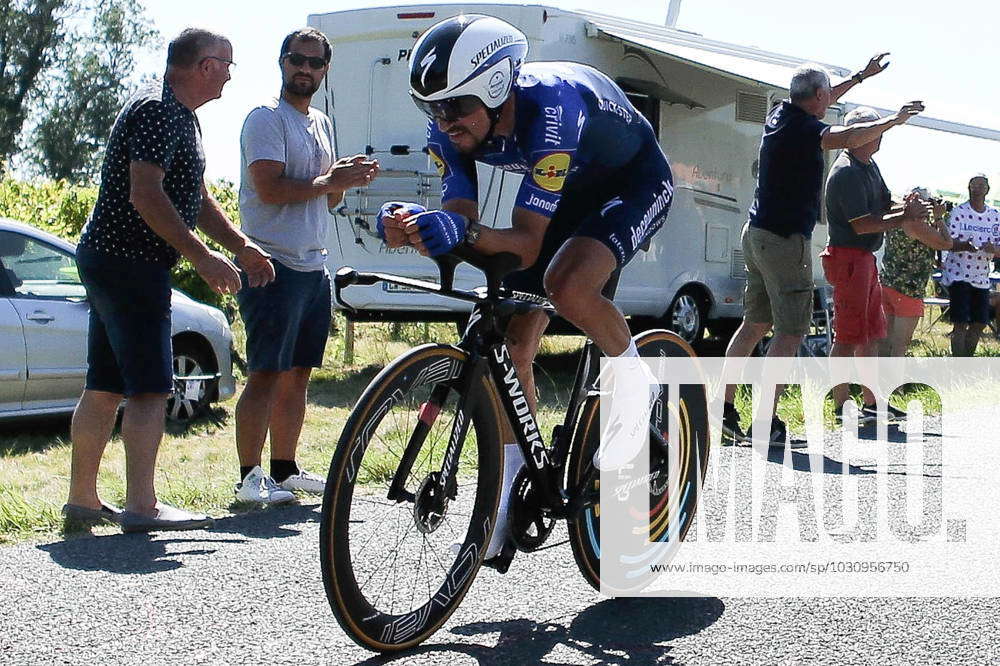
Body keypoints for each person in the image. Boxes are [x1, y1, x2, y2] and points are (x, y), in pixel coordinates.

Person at [378, 15, 671, 563]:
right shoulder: (453, 124)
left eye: (456, 106)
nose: (443, 121)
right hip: (568, 185)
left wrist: (460, 230)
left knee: (567, 285)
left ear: (494, 90)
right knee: (511, 346)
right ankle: (510, 493)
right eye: (432, 108)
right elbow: (461, 216)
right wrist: (419, 229)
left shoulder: (551, 110)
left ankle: (637, 384)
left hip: (633, 180)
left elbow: (527, 244)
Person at [64, 28, 276, 533]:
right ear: (203, 66)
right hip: (130, 263)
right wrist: (203, 258)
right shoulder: (160, 112)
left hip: (113, 261)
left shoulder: (179, 117)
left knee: (106, 383)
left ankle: (83, 502)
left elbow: (196, 198)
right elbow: (147, 194)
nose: (229, 74)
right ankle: (142, 506)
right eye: (227, 64)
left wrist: (240, 246)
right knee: (150, 388)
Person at [720, 56, 924, 446]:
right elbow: (847, 138)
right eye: (827, 95)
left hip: (756, 232)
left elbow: (827, 102)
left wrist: (860, 77)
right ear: (817, 96)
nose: (830, 99)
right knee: (790, 332)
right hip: (784, 240)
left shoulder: (782, 114)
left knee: (754, 325)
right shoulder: (806, 131)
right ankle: (765, 423)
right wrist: (895, 120)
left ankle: (725, 408)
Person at [234, 28, 379, 503]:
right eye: (298, 60)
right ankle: (249, 477)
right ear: (281, 61)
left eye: (314, 63)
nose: (305, 69)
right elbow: (271, 189)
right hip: (270, 263)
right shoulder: (265, 119)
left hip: (313, 265)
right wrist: (327, 181)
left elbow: (329, 196)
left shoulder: (321, 121)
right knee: (265, 373)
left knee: (298, 373)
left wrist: (346, 180)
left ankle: (284, 468)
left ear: (324, 71)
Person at [821, 107, 930, 422]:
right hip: (849, 257)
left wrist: (909, 205)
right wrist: (906, 216)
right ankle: (842, 407)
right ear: (856, 136)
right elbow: (863, 224)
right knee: (847, 336)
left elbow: (885, 204)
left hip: (864, 259)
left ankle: (870, 404)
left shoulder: (867, 166)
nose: (879, 135)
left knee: (869, 334)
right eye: (874, 130)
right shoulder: (846, 172)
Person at [879, 191, 968, 357]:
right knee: (900, 345)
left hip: (887, 283)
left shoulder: (895, 218)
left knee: (885, 341)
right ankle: (894, 382)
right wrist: (939, 218)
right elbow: (947, 243)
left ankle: (878, 381)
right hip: (908, 289)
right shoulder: (916, 224)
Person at [940, 174, 1000, 356]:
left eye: (982, 186)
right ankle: (958, 361)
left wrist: (993, 248)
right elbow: (948, 242)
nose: (978, 189)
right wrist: (965, 245)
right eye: (974, 186)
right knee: (960, 322)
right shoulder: (959, 212)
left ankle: (967, 358)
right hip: (958, 274)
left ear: (988, 190)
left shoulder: (995, 216)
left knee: (980, 321)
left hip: (981, 276)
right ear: (969, 188)